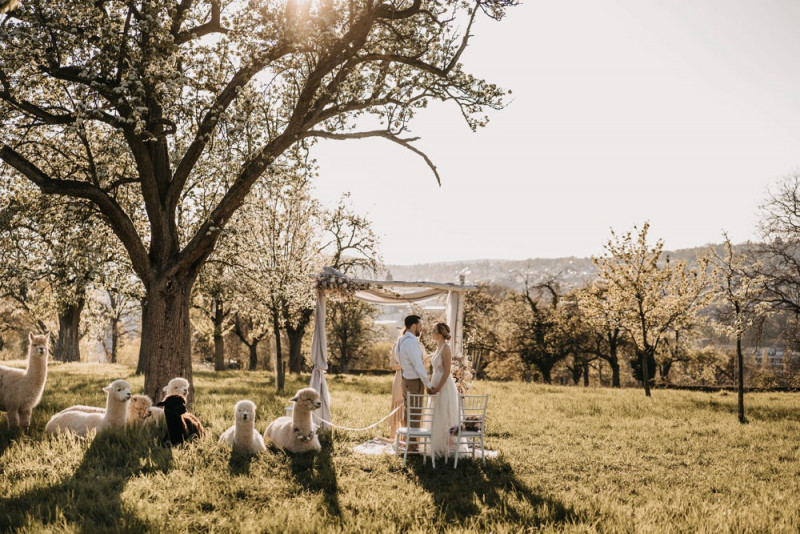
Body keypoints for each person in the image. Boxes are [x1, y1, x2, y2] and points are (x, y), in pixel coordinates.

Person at [396, 315, 431, 451]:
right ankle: (412, 447)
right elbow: (418, 365)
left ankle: (409, 444)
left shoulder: (401, 340)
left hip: (405, 380)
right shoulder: (411, 342)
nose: (421, 329)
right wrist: (428, 384)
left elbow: (399, 360)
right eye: (420, 326)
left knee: (409, 414)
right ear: (414, 326)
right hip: (414, 382)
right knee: (415, 414)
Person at [427, 322, 460, 459]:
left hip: (444, 384)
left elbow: (447, 371)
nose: (432, 333)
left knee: (445, 412)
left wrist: (438, 388)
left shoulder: (446, 348)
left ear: (441, 333)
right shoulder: (438, 347)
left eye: (434, 331)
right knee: (436, 412)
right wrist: (430, 385)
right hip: (435, 381)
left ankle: (449, 447)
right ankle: (437, 445)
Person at [388, 328, 406, 440]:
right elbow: (392, 366)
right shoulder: (396, 346)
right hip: (399, 379)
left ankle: (408, 436)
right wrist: (405, 366)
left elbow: (426, 364)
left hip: (414, 379)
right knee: (399, 404)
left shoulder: (419, 346)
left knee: (409, 406)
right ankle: (396, 435)